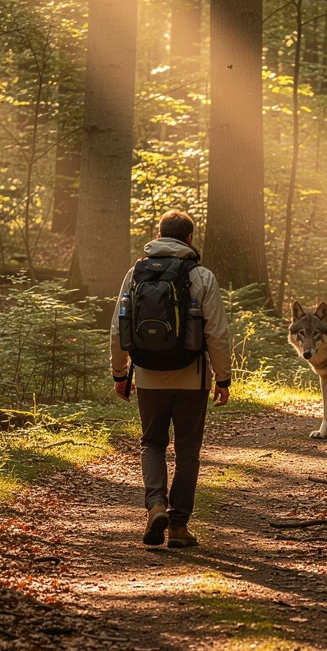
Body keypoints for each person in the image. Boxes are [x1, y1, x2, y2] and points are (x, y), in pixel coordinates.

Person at [110, 210, 232, 547]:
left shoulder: (135, 273)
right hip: (192, 379)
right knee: (187, 451)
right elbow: (217, 333)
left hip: (148, 376)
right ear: (190, 239)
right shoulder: (202, 275)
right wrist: (223, 379)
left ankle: (156, 506)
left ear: (160, 235)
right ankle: (178, 527)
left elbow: (118, 327)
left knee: (152, 443)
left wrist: (121, 372)